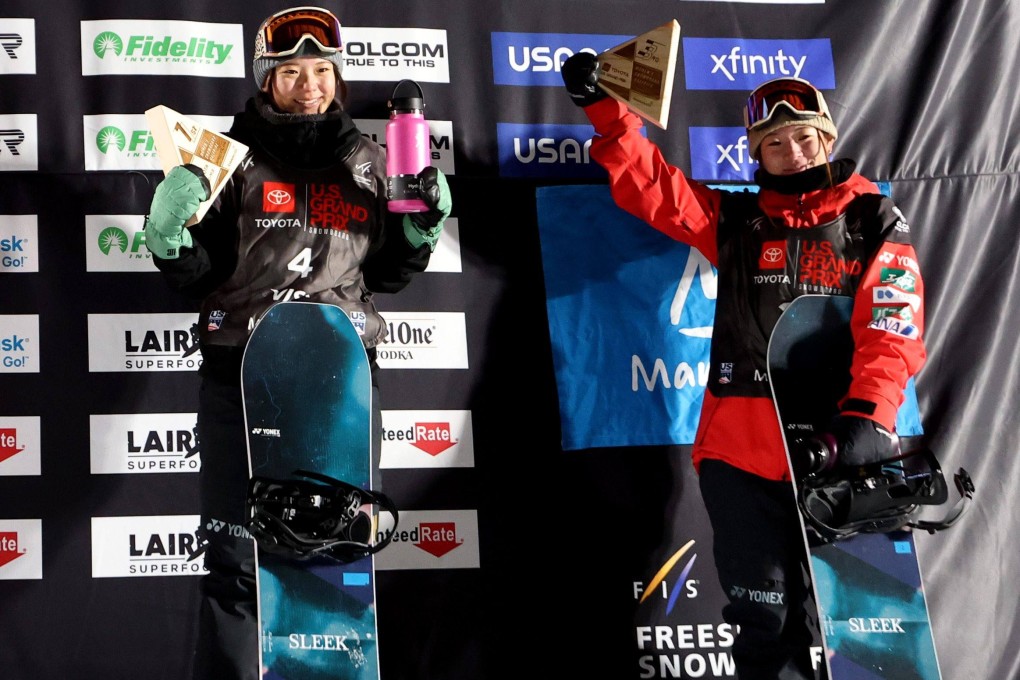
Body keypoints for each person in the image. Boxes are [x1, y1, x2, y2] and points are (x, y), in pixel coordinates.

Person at [562, 53, 925, 680]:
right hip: (740, 457)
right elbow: (652, 186)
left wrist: (868, 417)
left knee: (867, 638)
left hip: (840, 448)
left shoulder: (872, 219)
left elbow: (893, 325)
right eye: (774, 142)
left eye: (803, 136)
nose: (792, 151)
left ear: (827, 138)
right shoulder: (735, 220)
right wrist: (605, 108)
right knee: (765, 629)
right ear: (756, 154)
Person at [143, 7, 451, 680]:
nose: (310, 85)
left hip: (340, 383)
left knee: (334, 559)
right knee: (236, 563)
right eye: (291, 72)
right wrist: (169, 238)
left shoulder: (371, 162)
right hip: (243, 378)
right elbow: (198, 275)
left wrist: (421, 231)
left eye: (321, 71)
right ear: (266, 80)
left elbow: (390, 275)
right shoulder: (224, 160)